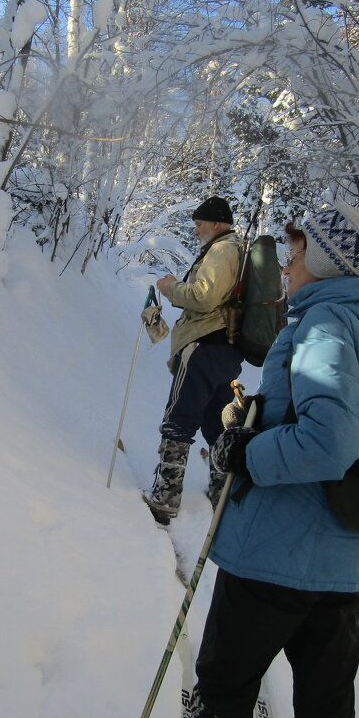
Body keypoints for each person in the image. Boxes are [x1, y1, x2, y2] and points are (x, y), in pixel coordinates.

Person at [191, 202, 359, 718]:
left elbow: (330, 441)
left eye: (297, 253)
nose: (287, 265)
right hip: (344, 564)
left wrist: (246, 453)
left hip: (276, 553)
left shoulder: (325, 324)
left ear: (325, 262)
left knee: (223, 692)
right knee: (325, 710)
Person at [143, 195, 244, 526]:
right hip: (226, 350)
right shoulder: (237, 250)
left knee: (179, 419)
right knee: (217, 423)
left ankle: (165, 497)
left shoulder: (222, 249)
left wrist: (172, 287)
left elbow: (203, 296)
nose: (197, 231)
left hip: (202, 347)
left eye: (200, 224)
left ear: (216, 223)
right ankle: (220, 490)